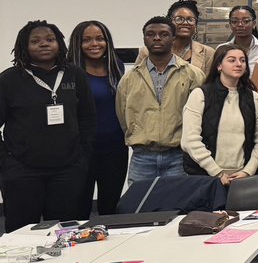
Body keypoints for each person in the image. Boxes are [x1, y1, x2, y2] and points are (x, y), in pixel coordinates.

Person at [0, 21, 94, 232]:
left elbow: (88, 117)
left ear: (59, 43)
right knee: (21, 232)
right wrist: (6, 162)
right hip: (22, 171)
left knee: (65, 231)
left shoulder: (74, 74)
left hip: (68, 170)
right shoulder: (9, 79)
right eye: (35, 41)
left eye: (50, 40)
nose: (44, 44)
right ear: (24, 46)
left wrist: (82, 156)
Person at [117, 16, 205, 182]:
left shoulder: (193, 75)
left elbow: (202, 116)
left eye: (163, 34)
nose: (157, 38)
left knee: (177, 205)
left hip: (179, 156)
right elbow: (123, 115)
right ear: (144, 39)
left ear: (173, 38)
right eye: (151, 34)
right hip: (142, 156)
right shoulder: (129, 79)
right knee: (140, 205)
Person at [180, 45, 258, 183]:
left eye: (242, 60)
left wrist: (248, 171)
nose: (239, 64)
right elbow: (190, 140)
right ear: (219, 66)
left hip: (243, 177)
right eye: (232, 60)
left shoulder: (254, 97)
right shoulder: (200, 95)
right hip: (205, 176)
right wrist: (217, 173)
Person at [67, 20, 125, 216]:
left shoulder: (117, 67)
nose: (95, 44)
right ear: (77, 44)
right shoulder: (69, 73)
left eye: (100, 39)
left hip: (115, 148)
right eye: (87, 40)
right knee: (79, 207)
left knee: (110, 206)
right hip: (82, 150)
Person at [136, 0, 215, 75]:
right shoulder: (146, 51)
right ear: (170, 22)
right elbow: (136, 80)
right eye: (179, 19)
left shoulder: (207, 53)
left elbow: (210, 84)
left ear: (195, 24)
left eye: (190, 20)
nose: (185, 23)